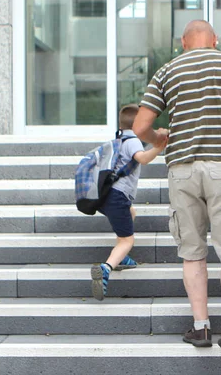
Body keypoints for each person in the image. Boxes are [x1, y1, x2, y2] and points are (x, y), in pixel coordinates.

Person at [133, 20, 221, 365]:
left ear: (182, 43)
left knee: (192, 252)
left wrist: (159, 140)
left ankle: (200, 327)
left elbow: (139, 126)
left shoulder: (167, 71)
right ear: (215, 41)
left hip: (182, 170)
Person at [91, 104, 168, 301]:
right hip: (118, 196)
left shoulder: (119, 138)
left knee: (131, 213)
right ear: (137, 125)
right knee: (127, 240)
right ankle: (105, 268)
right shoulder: (133, 140)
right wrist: (158, 147)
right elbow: (142, 158)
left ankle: (122, 257)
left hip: (107, 196)